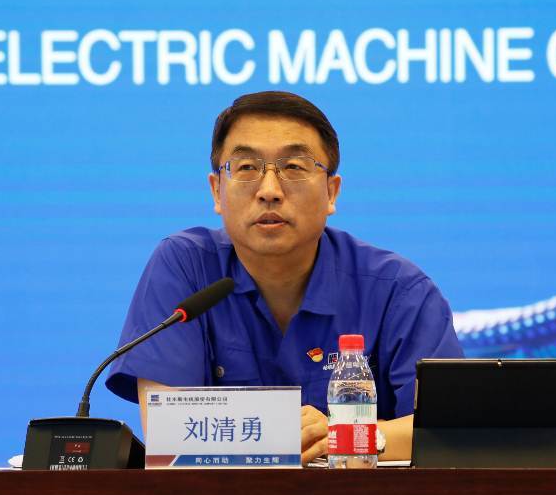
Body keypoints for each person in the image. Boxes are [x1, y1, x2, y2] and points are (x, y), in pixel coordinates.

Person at [105, 90, 463, 465]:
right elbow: (168, 433)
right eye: (246, 168)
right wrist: (282, 434)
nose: (270, 191)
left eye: (294, 167)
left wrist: (344, 436)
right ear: (216, 191)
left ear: (331, 192)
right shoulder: (186, 267)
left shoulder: (399, 291)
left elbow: (446, 432)